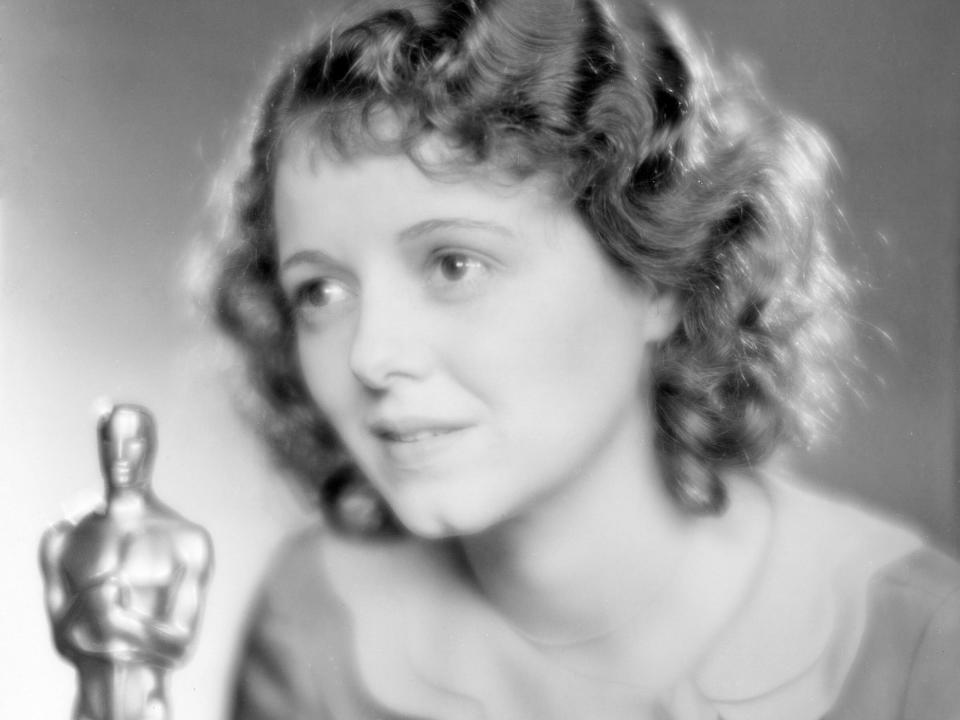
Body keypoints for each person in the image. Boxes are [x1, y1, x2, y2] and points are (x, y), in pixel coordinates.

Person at [206, 0, 960, 717]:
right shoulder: (317, 625)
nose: (370, 355)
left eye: (454, 265)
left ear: (659, 275)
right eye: (321, 291)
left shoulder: (916, 646)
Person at [39, 404, 214, 720]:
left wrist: (113, 618)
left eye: (132, 440)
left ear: (150, 446)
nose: (120, 453)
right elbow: (63, 640)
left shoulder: (186, 541)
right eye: (110, 440)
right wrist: (92, 607)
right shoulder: (63, 541)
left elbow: (180, 643)